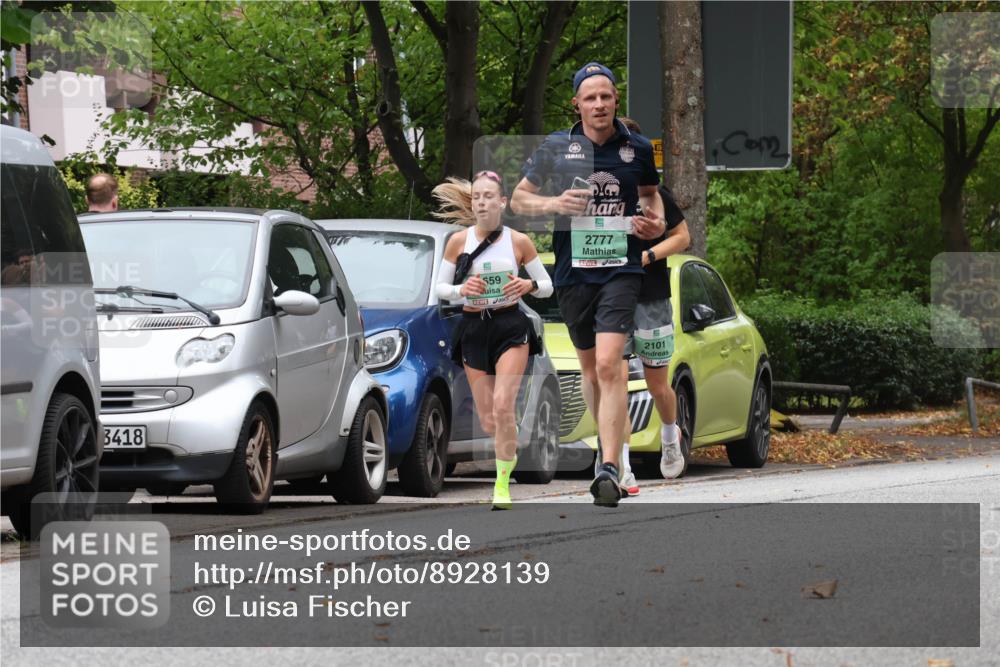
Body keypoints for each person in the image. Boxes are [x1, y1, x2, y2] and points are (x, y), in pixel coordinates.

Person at [511, 63, 666, 507]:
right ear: (577, 104)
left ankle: (610, 466)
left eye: (606, 96)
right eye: (590, 98)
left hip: (622, 269)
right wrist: (554, 203)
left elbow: (651, 195)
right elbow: (519, 199)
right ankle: (607, 446)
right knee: (591, 371)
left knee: (609, 362)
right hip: (573, 272)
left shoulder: (637, 148)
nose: (599, 104)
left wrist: (654, 223)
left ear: (616, 100)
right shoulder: (556, 147)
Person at [433, 170, 553, 510]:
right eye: (477, 197)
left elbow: (547, 286)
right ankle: (507, 451)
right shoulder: (459, 242)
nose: (482, 202)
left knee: (503, 405)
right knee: (489, 419)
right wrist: (462, 289)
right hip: (474, 329)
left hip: (510, 326)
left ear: (502, 202)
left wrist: (528, 285)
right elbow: (440, 288)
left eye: (488, 196)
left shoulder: (519, 242)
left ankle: (501, 485)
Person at [615, 117, 692, 493]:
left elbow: (682, 237)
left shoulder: (655, 193)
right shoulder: (596, 191)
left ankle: (669, 434)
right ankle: (622, 465)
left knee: (656, 383)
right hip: (611, 297)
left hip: (651, 297)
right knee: (614, 383)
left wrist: (648, 255)